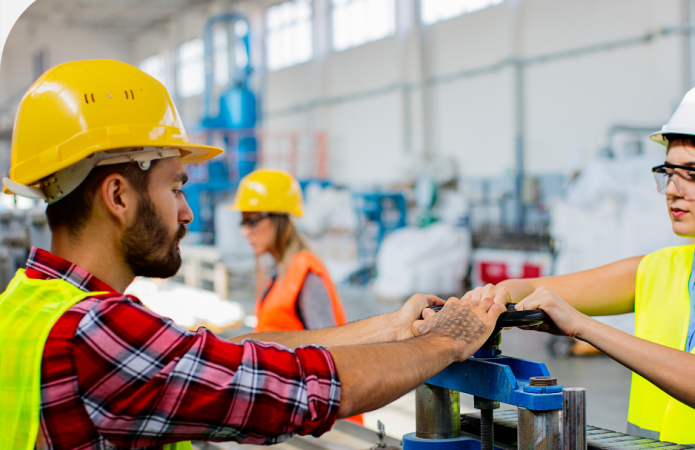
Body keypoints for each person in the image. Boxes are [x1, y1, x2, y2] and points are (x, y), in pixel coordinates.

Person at [0, 59, 505, 449]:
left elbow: (230, 351)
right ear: (118, 196)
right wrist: (444, 342)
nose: (186, 212)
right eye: (175, 187)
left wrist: (392, 328)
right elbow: (293, 387)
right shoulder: (94, 330)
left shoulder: (27, 305)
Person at [452, 79, 695, 449]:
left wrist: (584, 327)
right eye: (669, 173)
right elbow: (534, 289)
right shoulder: (654, 271)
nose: (671, 190)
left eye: (694, 174)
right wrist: (491, 297)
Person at [231, 169, 347, 333]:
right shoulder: (281, 271)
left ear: (280, 220)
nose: (245, 232)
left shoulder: (305, 272)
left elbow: (329, 343)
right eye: (243, 222)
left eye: (252, 221)